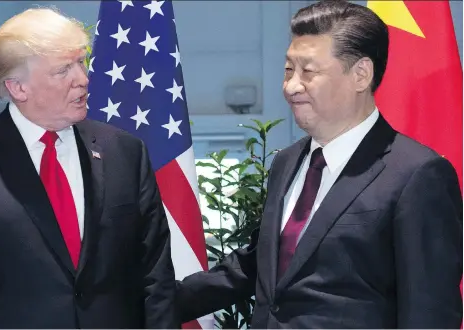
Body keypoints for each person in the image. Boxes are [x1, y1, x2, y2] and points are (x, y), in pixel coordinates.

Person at [176, 1, 463, 328]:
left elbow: (431, 314)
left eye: (308, 71)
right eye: (288, 70)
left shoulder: (416, 174)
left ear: (361, 74)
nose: (291, 86)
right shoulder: (287, 163)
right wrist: (140, 301)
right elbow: (259, 264)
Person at [0, 8, 178, 329]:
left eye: (81, 62)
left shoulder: (126, 152)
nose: (83, 79)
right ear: (18, 87)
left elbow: (155, 279)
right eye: (63, 70)